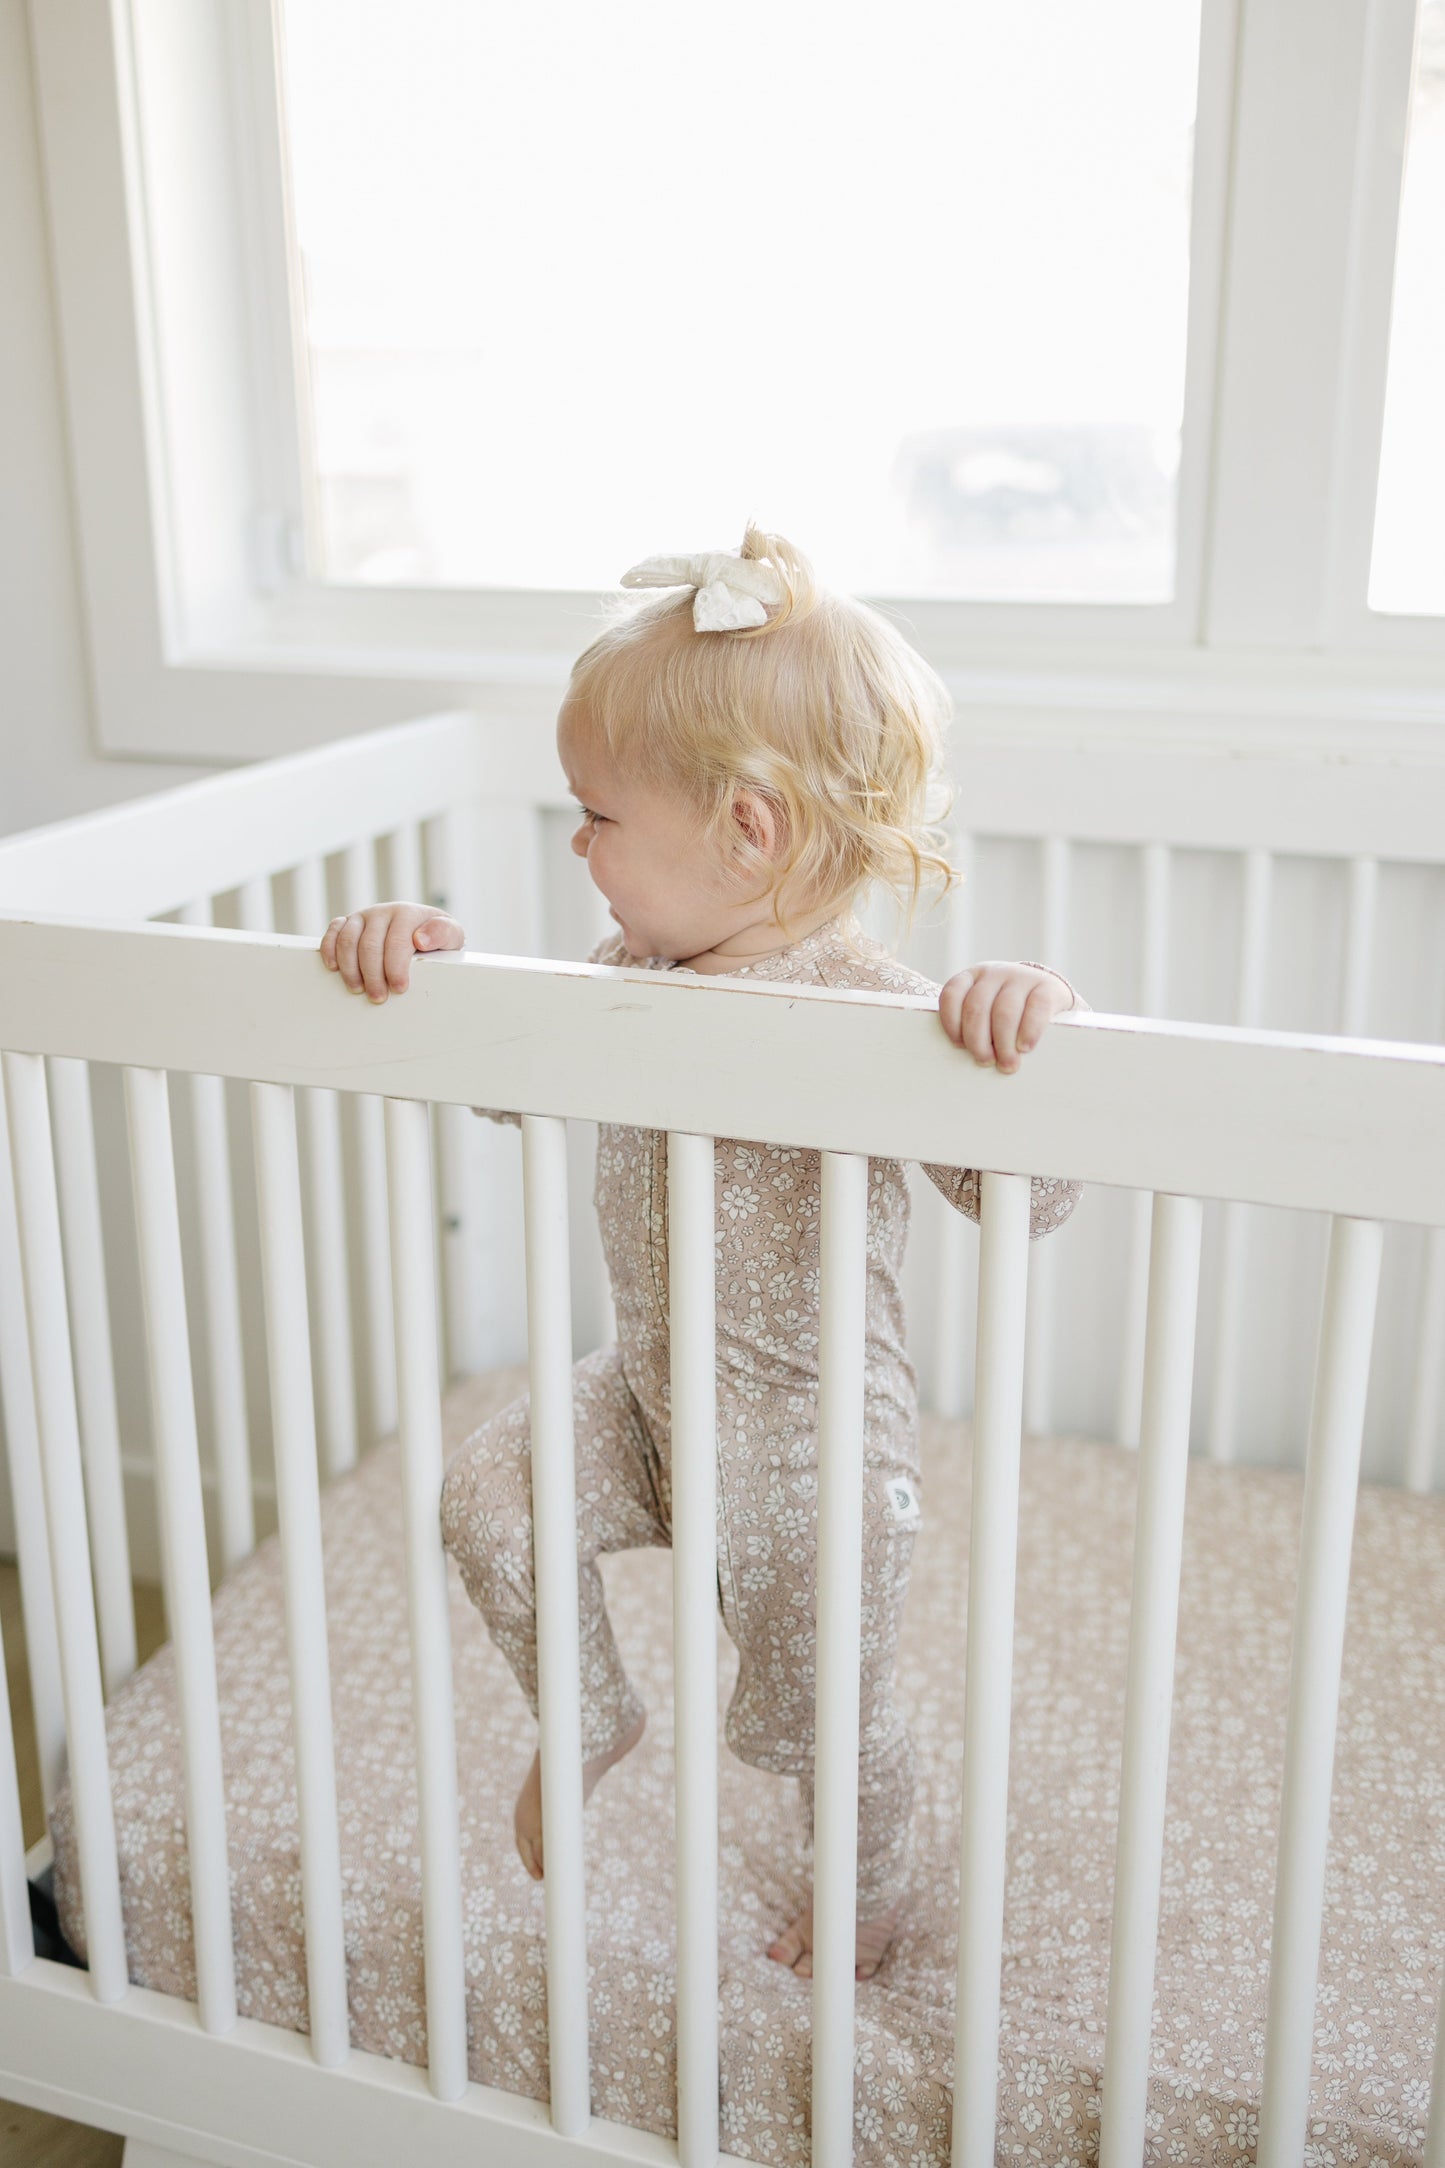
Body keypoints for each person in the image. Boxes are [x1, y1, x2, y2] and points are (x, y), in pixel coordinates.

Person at [320, 524, 1087, 1982]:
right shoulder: (625, 981)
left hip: (814, 1454)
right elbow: (492, 1070)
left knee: (825, 1724)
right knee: (488, 1501)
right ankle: (588, 1709)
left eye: (597, 815)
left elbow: (1029, 1201)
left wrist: (1023, 1025)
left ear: (748, 829)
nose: (579, 844)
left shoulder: (881, 1012)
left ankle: (867, 1889)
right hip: (649, 1397)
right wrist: (413, 964)